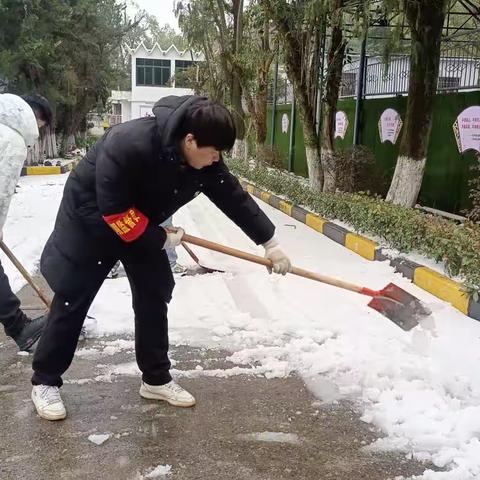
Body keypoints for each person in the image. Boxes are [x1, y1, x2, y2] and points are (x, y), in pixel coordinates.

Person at [31, 95, 291, 421]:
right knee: (74, 298)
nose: (216, 159)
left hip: (141, 223)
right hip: (94, 219)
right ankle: (45, 381)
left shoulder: (203, 158)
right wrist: (161, 238)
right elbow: (113, 210)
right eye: (213, 152)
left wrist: (270, 242)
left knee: (154, 293)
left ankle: (155, 378)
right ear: (190, 140)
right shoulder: (127, 144)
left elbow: (232, 195)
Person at [0, 93, 53, 351]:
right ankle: (19, 328)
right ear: (37, 118)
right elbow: (1, 189)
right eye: (42, 126)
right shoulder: (12, 140)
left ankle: (19, 326)